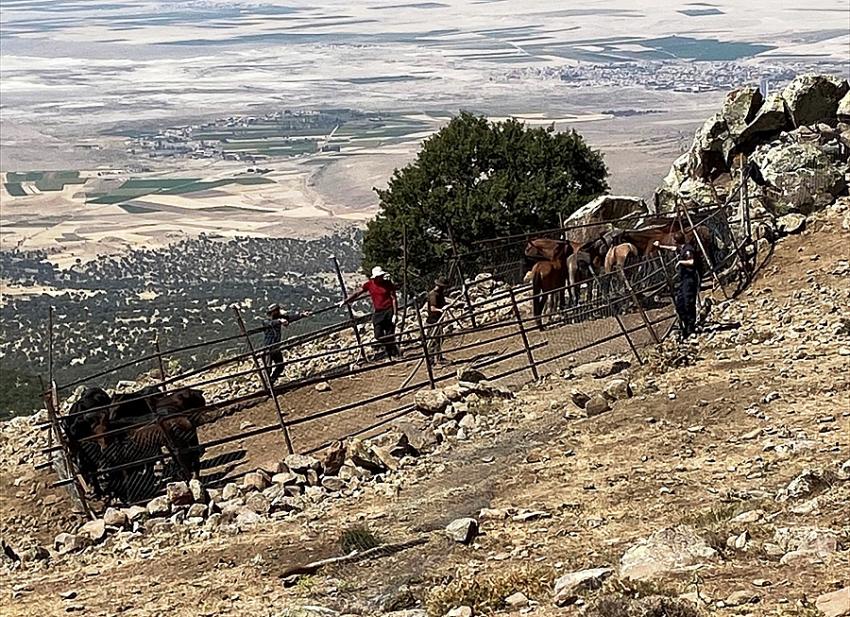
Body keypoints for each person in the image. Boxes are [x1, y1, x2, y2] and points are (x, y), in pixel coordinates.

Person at [341, 266, 400, 360]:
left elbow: (393, 299)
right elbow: (358, 293)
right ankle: (393, 350)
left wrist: (395, 314)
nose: (380, 278)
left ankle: (392, 355)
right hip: (378, 312)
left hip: (389, 310)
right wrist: (346, 300)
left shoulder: (388, 284)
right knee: (378, 335)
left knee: (390, 334)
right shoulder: (369, 284)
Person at [654, 232, 699, 339]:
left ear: (676, 240)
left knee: (688, 303)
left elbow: (691, 261)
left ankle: (690, 327)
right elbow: (673, 249)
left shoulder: (688, 249)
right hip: (684, 280)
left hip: (690, 279)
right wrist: (660, 246)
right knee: (680, 304)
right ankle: (685, 325)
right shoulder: (682, 248)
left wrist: (680, 262)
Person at [262, 303, 311, 384]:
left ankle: (271, 381)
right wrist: (280, 321)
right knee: (268, 368)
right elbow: (270, 323)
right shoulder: (266, 321)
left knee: (280, 365)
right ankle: (267, 386)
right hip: (268, 348)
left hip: (276, 347)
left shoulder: (278, 318)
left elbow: (289, 318)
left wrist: (301, 315)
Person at [425, 277, 452, 364]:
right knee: (432, 341)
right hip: (433, 320)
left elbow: (442, 304)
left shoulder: (440, 294)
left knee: (439, 340)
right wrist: (441, 310)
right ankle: (431, 360)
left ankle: (438, 358)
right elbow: (432, 308)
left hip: (438, 319)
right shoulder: (433, 294)